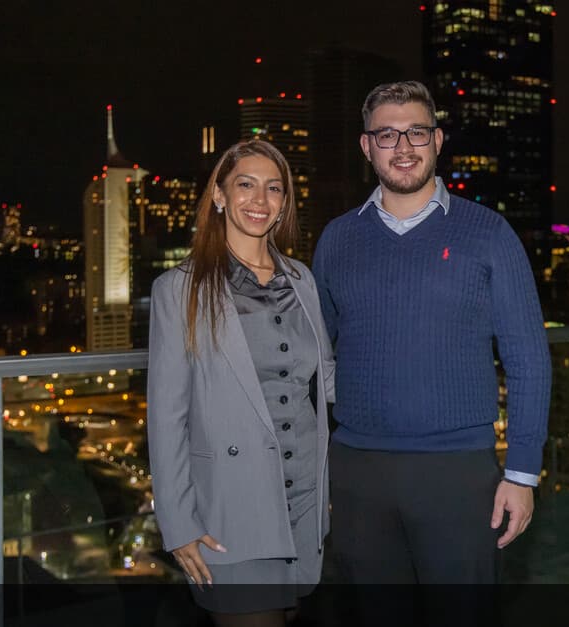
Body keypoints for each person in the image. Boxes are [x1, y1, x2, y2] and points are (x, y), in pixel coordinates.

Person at [312, 81, 552, 591]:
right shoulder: (337, 238)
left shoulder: (489, 233)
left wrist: (522, 474)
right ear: (366, 147)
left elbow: (528, 359)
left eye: (417, 132)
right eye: (387, 135)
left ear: (438, 141)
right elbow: (318, 353)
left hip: (458, 471)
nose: (403, 147)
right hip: (356, 473)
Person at [147, 139, 335, 627]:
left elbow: (326, 381)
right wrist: (178, 524)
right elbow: (167, 417)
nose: (260, 199)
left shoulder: (302, 280)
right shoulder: (180, 288)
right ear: (219, 194)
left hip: (303, 504)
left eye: (274, 188)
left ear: (285, 202)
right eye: (245, 185)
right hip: (231, 509)